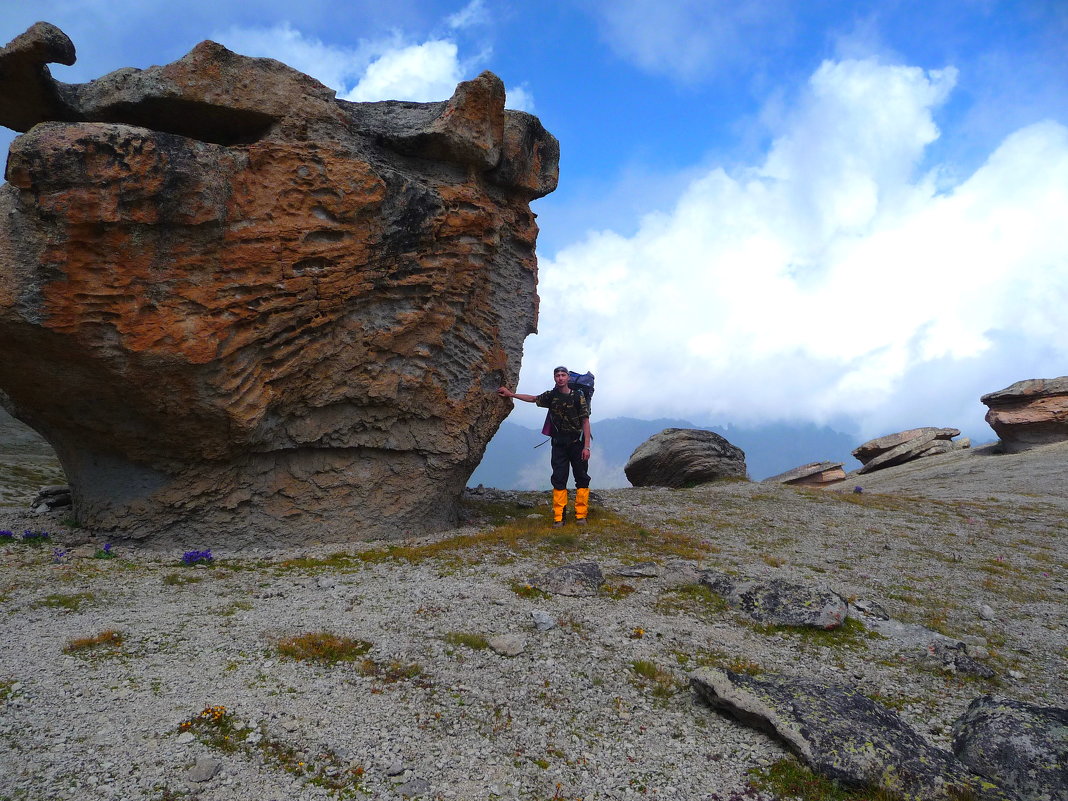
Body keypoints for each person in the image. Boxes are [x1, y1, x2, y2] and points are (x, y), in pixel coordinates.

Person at [498, 366, 592, 527]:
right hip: (558, 445)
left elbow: (585, 421)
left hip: (577, 444)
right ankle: (558, 517)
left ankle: (581, 515)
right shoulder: (551, 395)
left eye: (563, 375)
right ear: (554, 378)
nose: (560, 378)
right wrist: (511, 395)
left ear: (568, 377)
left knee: (582, 477)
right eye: (557, 375)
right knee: (559, 479)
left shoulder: (578, 396)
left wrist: (587, 447)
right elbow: (533, 398)